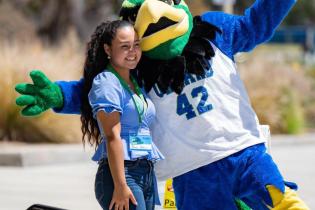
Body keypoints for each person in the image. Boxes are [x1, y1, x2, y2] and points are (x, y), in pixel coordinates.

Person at [15, 0, 309, 209]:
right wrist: (58, 94)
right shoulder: (137, 66)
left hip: (244, 153)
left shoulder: (214, 31)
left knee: (282, 202)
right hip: (190, 174)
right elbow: (97, 91)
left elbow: (256, 23)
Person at [80, 20, 163, 210]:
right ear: (108, 49)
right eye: (125, 46)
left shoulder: (134, 82)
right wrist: (120, 185)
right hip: (122, 175)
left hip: (146, 172)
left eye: (136, 45)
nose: (132, 52)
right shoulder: (107, 82)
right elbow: (111, 136)